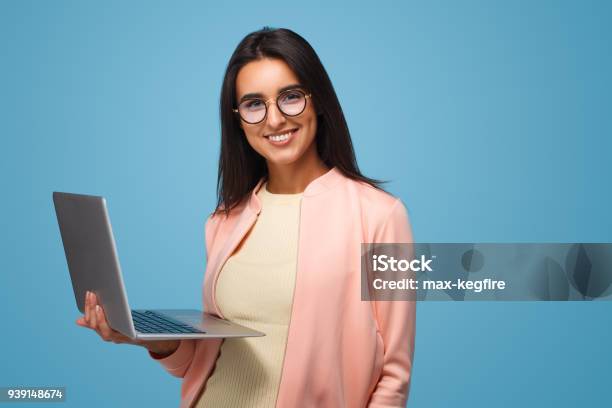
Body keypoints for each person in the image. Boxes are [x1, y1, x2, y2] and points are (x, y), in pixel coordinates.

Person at [77, 27, 416, 407]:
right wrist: (150, 337)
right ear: (238, 119)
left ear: (317, 100)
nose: (274, 120)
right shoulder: (224, 221)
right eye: (254, 104)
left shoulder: (380, 216)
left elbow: (394, 374)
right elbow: (205, 360)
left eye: (290, 97)